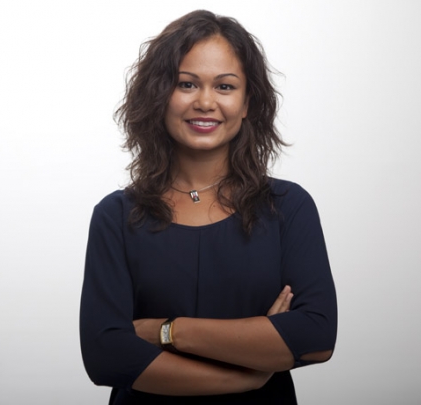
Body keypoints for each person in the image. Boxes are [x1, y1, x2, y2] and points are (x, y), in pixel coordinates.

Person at [80, 10, 337, 404]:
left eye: (225, 86)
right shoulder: (116, 216)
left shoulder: (288, 207)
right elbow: (105, 358)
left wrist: (166, 331)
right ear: (159, 96)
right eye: (186, 84)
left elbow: (316, 337)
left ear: (247, 102)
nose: (204, 102)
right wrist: (248, 373)